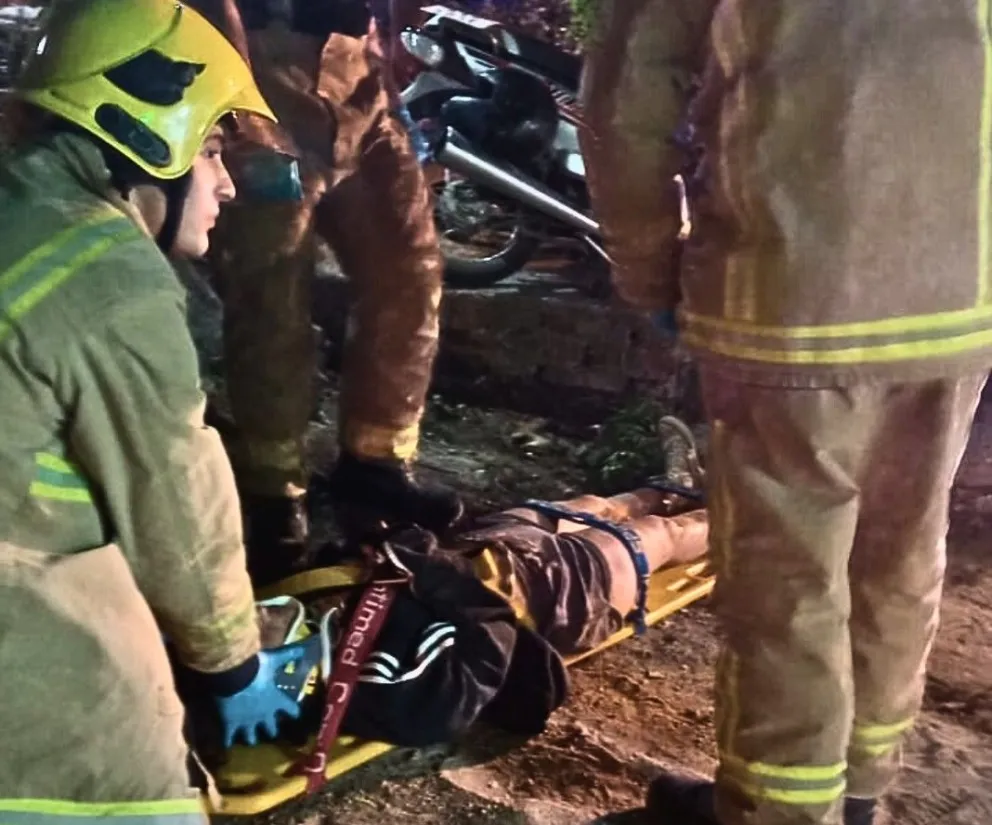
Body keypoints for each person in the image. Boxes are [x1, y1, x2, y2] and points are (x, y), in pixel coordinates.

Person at [578, 3, 992, 825]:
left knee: (788, 581)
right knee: (899, 550)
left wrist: (650, 270)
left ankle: (779, 809)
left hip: (790, 296)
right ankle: (861, 790)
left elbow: (626, 103)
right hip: (960, 299)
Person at [0, 1, 315, 817]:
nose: (226, 181)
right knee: (124, 757)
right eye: (212, 148)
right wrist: (233, 661)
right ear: (147, 134)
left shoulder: (19, 213)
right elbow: (175, 494)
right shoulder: (102, 271)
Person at [184, 0, 462, 586]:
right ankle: (275, 496)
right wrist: (237, 97)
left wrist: (381, 50)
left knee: (409, 269)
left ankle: (376, 464)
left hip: (354, 71)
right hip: (263, 64)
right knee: (272, 297)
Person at [180, 481, 709, 762]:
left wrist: (379, 550)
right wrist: (424, 566)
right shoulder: (385, 695)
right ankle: (761, 509)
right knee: (662, 533)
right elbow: (491, 638)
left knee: (595, 504)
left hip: (491, 547)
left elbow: (364, 560)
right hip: (554, 595)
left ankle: (677, 481)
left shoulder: (297, 607)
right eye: (259, 632)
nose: (260, 616)